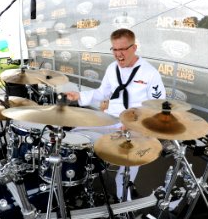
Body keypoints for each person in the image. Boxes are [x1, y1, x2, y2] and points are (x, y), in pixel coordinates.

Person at [66, 28, 165, 201]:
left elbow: (157, 106)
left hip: (134, 127)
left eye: (123, 49)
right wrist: (80, 95)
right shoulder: (112, 68)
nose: (118, 54)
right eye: (115, 49)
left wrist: (136, 124)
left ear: (134, 48)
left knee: (129, 162)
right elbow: (102, 93)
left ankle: (123, 198)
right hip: (109, 119)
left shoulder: (150, 73)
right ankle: (76, 179)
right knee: (75, 135)